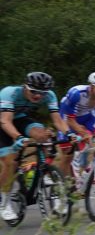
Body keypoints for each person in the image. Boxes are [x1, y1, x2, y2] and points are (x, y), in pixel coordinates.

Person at [0, 72, 78, 220]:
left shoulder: (50, 95)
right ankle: (4, 203)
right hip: (3, 121)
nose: (38, 96)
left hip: (20, 119)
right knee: (10, 162)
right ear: (25, 86)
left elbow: (57, 121)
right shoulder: (10, 93)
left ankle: (44, 170)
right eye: (34, 92)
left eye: (42, 93)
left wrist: (69, 134)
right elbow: (5, 121)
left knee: (43, 135)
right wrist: (19, 138)